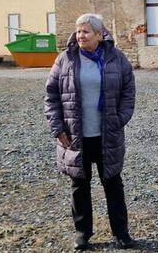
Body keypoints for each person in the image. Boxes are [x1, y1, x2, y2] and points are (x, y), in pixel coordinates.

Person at [44, 14, 136, 251]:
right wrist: (58, 128)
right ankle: (83, 233)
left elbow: (128, 91)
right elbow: (51, 96)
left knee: (113, 183)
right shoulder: (65, 59)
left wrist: (120, 119)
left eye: (86, 31)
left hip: (107, 134)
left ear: (99, 34)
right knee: (79, 185)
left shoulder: (116, 58)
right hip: (75, 136)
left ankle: (121, 233)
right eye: (78, 31)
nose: (80, 36)